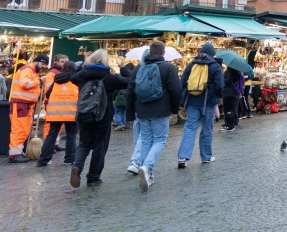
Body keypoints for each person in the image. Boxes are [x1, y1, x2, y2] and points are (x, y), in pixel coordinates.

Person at [58, 50, 127, 187]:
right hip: (103, 116)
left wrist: (84, 63)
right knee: (100, 147)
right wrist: (123, 67)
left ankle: (77, 166)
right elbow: (129, 82)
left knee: (84, 143)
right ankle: (93, 177)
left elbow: (70, 76)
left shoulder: (82, 76)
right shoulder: (110, 77)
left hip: (84, 114)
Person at [125, 41, 183, 191]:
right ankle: (147, 166)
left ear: (149, 52)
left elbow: (130, 90)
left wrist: (130, 113)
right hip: (161, 109)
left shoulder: (139, 67)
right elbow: (176, 90)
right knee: (159, 140)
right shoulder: (169, 68)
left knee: (145, 140)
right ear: (163, 53)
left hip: (142, 110)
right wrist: (175, 109)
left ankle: (149, 175)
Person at [177, 42, 224, 169]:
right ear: (213, 54)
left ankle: (183, 157)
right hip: (208, 103)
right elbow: (220, 86)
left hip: (192, 102)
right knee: (207, 129)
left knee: (190, 128)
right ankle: (206, 156)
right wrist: (217, 97)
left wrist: (183, 98)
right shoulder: (215, 66)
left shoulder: (192, 64)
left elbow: (183, 82)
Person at [8, 54, 49, 163]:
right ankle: (14, 155)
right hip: (20, 104)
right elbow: (24, 84)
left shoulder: (33, 72)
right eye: (43, 63)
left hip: (26, 104)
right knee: (19, 129)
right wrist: (40, 81)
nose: (44, 66)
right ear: (36, 61)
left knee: (24, 129)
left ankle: (18, 152)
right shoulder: (27, 70)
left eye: (45, 64)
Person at [37, 60, 78, 167]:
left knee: (51, 135)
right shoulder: (77, 81)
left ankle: (44, 159)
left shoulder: (56, 80)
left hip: (55, 113)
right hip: (72, 113)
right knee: (71, 136)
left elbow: (48, 94)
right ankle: (69, 160)